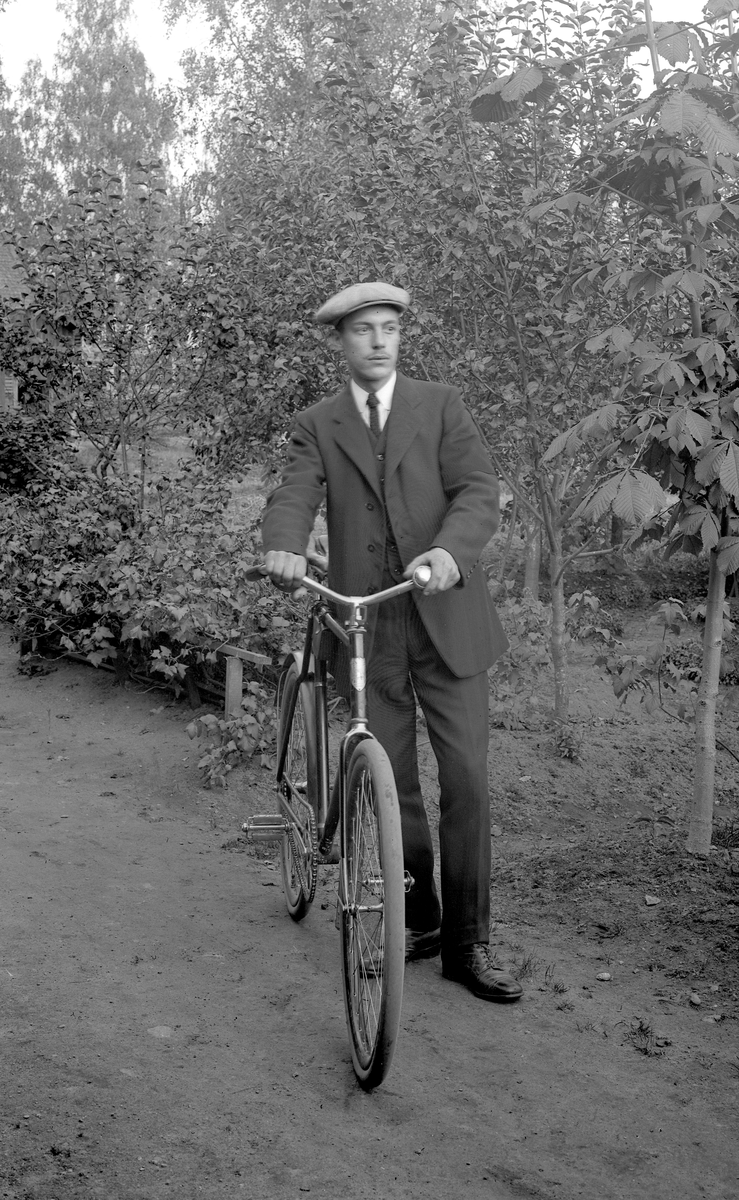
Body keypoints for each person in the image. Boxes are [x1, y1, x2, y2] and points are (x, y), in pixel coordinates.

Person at [262, 281, 522, 1003]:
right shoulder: (317, 423)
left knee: (466, 778)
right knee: (393, 782)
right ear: (340, 342)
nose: (378, 341)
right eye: (363, 330)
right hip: (366, 624)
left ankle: (468, 943)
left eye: (390, 329)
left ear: (401, 336)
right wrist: (284, 543)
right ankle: (421, 918)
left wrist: (449, 551)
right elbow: (294, 492)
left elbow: (478, 489)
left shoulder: (439, 406)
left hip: (446, 617)